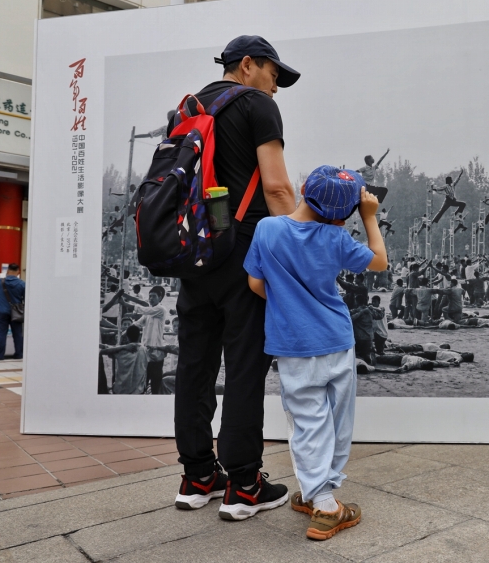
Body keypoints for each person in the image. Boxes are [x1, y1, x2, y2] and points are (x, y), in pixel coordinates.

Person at [170, 35, 300, 515]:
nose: (276, 87)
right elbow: (278, 187)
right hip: (244, 249)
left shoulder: (185, 109)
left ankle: (197, 475)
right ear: (247, 65)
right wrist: (295, 254)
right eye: (273, 74)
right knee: (245, 366)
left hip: (195, 251)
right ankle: (244, 484)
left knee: (195, 365)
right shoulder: (256, 106)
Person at [245, 165, 386, 538]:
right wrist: (370, 218)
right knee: (339, 421)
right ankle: (325, 500)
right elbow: (380, 261)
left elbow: (255, 283)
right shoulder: (336, 240)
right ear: (346, 213)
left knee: (307, 424)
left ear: (304, 188)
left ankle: (317, 495)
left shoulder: (268, 229)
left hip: (293, 343)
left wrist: (286, 304)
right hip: (338, 340)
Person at [121, 286, 168, 394]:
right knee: (143, 382)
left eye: (154, 296)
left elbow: (144, 309)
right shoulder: (148, 314)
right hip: (146, 353)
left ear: (160, 298)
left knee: (156, 384)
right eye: (150, 296)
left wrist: (126, 304)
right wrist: (124, 332)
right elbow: (138, 323)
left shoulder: (161, 309)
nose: (151, 299)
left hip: (156, 353)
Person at [100, 325, 149, 395]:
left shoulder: (121, 351)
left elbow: (103, 351)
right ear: (139, 336)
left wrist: (123, 347)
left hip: (121, 390)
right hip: (138, 391)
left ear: (127, 337)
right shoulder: (145, 350)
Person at [0, 263, 25, 361]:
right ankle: (19, 354)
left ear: (8, 271)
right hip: (16, 312)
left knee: (1, 333)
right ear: (18, 272)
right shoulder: (22, 284)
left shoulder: (0, 281)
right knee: (17, 334)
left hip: (1, 311)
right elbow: (26, 297)